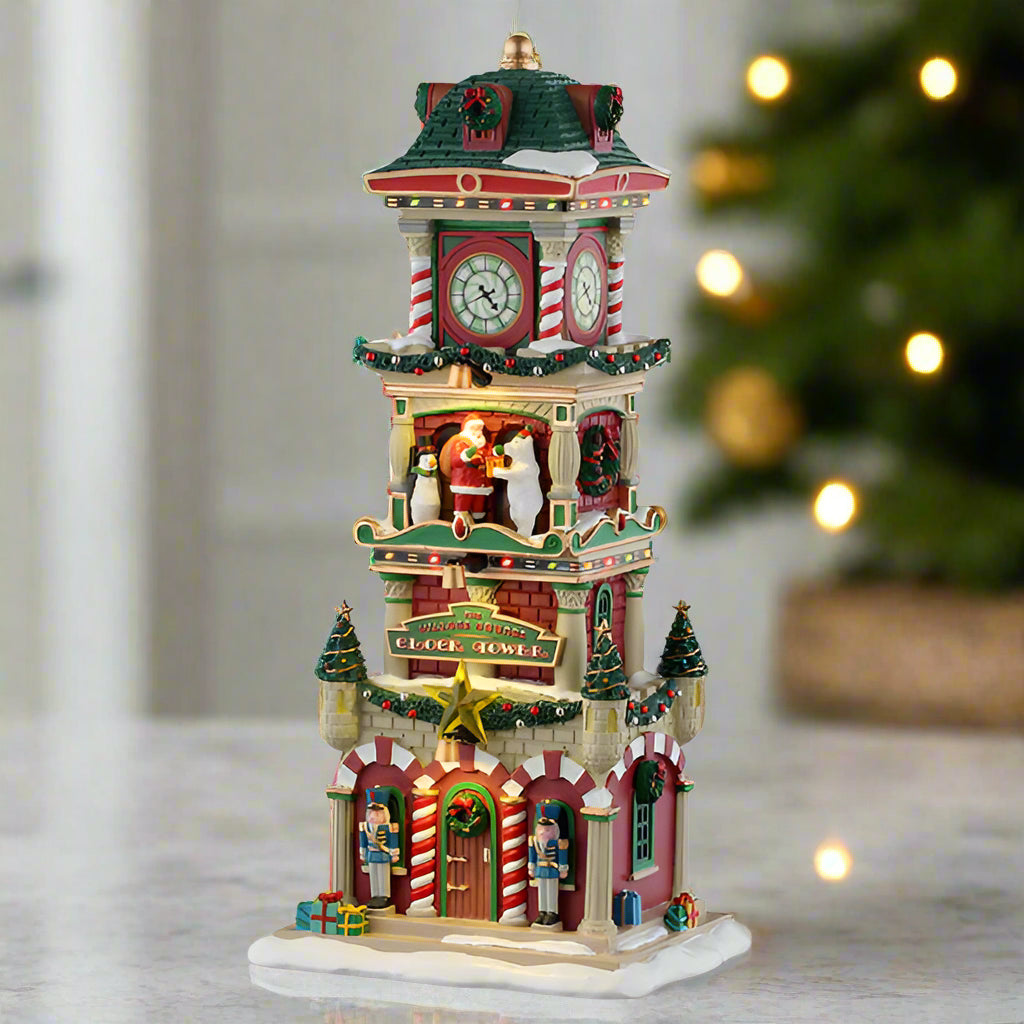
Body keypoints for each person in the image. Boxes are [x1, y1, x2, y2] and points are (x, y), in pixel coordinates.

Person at [528, 805, 569, 926]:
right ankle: (542, 912)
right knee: (542, 891)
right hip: (540, 869)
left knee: (552, 891)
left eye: (547, 830)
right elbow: (532, 856)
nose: (543, 832)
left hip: (552, 869)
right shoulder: (534, 841)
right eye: (541, 829)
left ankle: (552, 912)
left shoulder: (559, 842)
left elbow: (562, 855)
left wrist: (563, 868)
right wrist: (532, 867)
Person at [448, 415, 493, 523]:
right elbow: (455, 460)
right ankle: (461, 528)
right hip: (464, 483)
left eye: (479, 429)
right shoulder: (460, 443)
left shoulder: (484, 445)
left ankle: (478, 525)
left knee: (479, 509)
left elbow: (489, 455)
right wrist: (466, 455)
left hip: (481, 484)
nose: (477, 432)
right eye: (474, 429)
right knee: (462, 508)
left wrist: (494, 453)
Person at [359, 797, 400, 909]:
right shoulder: (365, 827)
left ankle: (384, 896)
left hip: (383, 854)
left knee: (383, 875)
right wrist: (362, 853)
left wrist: (394, 854)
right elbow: (363, 841)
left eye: (377, 814)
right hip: (371, 854)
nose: (373, 816)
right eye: (371, 813)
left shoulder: (388, 827)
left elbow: (393, 841)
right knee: (374, 875)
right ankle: (375, 895)